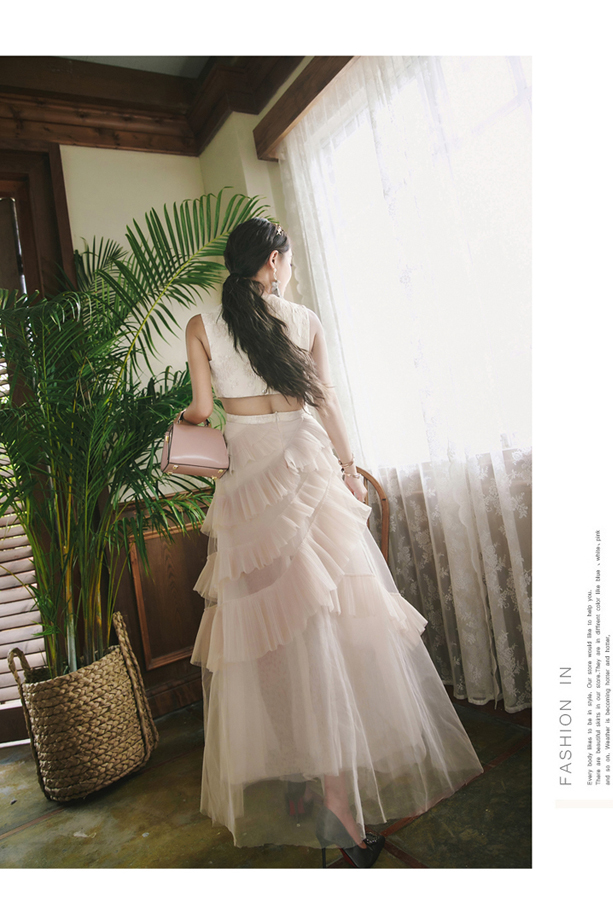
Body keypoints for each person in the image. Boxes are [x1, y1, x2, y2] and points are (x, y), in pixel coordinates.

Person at [179, 218, 484, 868]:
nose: (288, 269)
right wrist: (348, 468)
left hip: (248, 483)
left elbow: (202, 413)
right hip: (307, 465)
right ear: (273, 261)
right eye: (286, 259)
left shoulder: (203, 325)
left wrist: (186, 423)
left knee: (273, 640)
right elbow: (325, 403)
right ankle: (341, 795)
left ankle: (310, 785)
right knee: (334, 628)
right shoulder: (305, 321)